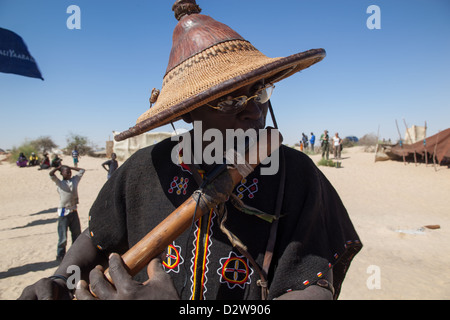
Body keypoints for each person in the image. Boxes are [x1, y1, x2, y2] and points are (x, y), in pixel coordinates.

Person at [19, 1, 361, 301]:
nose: (253, 111)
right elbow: (96, 237)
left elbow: (311, 287)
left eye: (259, 92)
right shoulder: (144, 168)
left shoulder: (296, 174)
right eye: (230, 100)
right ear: (187, 112)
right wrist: (61, 278)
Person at [49, 165, 85, 262]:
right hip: (64, 212)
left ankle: (75, 253)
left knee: (76, 233)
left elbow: (82, 170)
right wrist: (58, 167)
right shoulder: (59, 183)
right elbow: (51, 174)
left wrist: (70, 167)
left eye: (70, 172)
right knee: (63, 236)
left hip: (73, 211)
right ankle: (60, 255)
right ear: (61, 173)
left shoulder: (74, 180)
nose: (69, 173)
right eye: (66, 172)